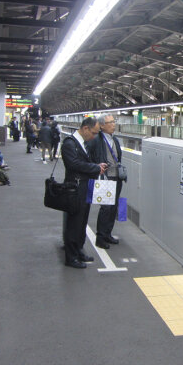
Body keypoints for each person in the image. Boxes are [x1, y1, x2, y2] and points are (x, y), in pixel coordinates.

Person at [61, 117, 108, 269]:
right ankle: (71, 257)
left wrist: (95, 165)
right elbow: (73, 164)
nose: (94, 136)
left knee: (82, 222)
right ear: (85, 128)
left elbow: (83, 163)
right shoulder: (69, 143)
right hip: (74, 188)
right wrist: (94, 168)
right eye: (93, 133)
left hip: (84, 187)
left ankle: (79, 250)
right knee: (73, 224)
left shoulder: (82, 143)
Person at [87, 114, 123, 249]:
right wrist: (96, 167)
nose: (113, 124)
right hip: (105, 177)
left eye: (114, 122)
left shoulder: (115, 140)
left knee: (113, 207)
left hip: (117, 177)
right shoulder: (97, 139)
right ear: (101, 126)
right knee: (106, 208)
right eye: (110, 122)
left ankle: (108, 233)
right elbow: (89, 154)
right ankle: (100, 237)